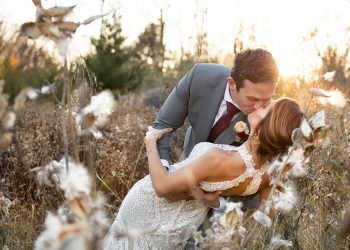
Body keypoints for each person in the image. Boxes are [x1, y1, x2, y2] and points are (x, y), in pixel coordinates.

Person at [103, 98, 304, 249]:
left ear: (271, 125)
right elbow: (266, 219)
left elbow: (161, 187)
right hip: (184, 224)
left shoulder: (219, 158)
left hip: (150, 207)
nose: (260, 105)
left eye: (267, 107)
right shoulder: (270, 175)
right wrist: (213, 202)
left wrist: (150, 143)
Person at [153, 48, 279, 209]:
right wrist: (164, 173)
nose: (259, 108)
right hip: (182, 169)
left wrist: (218, 203)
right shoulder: (200, 77)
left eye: (267, 99)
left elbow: (259, 183)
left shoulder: (270, 119)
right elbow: (163, 125)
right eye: (253, 99)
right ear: (232, 84)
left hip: (217, 210)